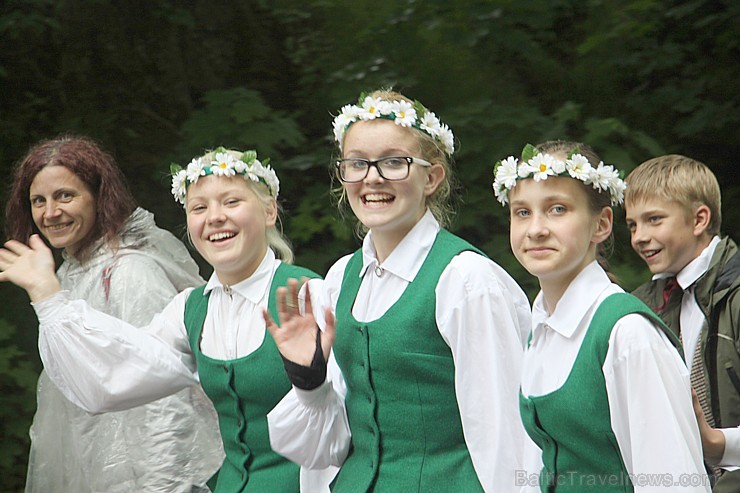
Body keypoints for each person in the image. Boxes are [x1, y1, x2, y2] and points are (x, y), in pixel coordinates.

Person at [0, 146, 334, 492]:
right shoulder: (191, 309)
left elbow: (354, 427)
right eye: (199, 208)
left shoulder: (309, 295)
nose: (214, 217)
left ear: (268, 211)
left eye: (231, 202)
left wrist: (311, 379)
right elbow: (111, 379)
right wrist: (47, 297)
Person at [264, 89, 533, 492]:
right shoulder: (339, 278)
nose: (372, 177)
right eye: (357, 164)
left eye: (394, 162)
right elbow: (326, 450)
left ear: (432, 177)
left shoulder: (467, 281)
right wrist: (309, 379)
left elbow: (506, 433)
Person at [4, 134, 222, 493]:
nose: (50, 212)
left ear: (98, 197)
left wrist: (163, 488)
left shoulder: (129, 272)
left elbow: (165, 400)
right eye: (38, 201)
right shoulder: (71, 272)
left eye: (65, 196)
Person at [492, 141, 710, 492]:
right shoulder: (540, 328)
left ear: (602, 224)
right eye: (522, 212)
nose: (536, 229)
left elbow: (673, 481)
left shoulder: (627, 333)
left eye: (558, 209)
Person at [624, 155, 739, 491]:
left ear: (699, 219)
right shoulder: (640, 306)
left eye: (654, 220)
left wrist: (718, 445)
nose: (639, 237)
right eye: (632, 225)